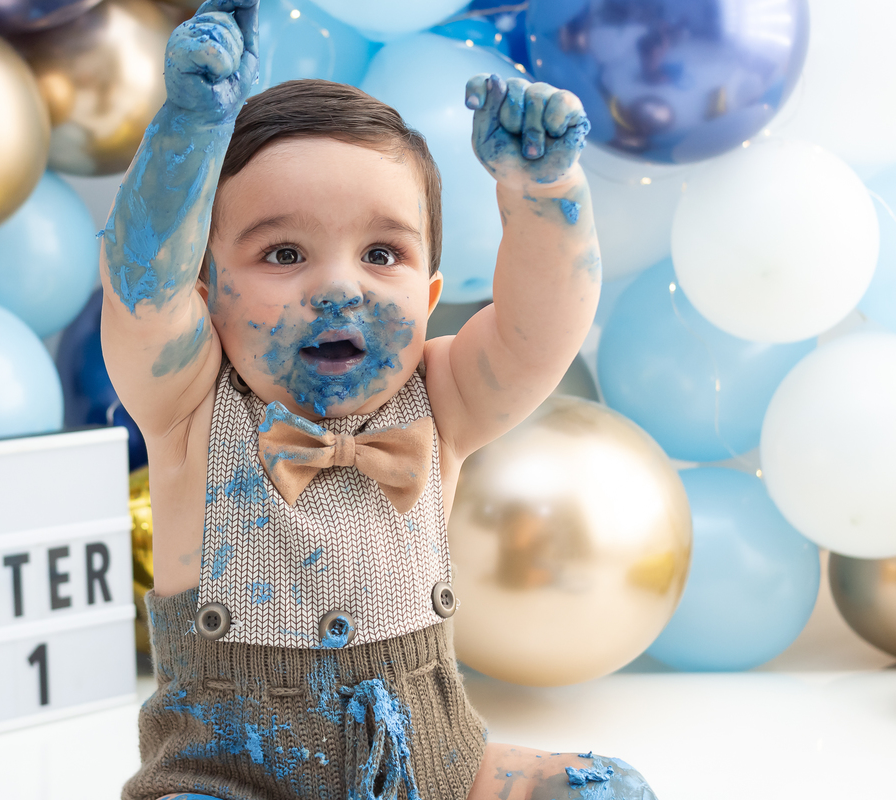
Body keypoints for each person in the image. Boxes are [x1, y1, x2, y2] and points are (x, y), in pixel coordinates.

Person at [99, 1, 654, 798]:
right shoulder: (188, 402)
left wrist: (542, 189)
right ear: (209, 291)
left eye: (381, 252)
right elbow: (139, 288)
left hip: (437, 768)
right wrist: (191, 125)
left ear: (430, 294)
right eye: (283, 252)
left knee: (611, 788)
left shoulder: (441, 397)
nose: (337, 285)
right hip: (227, 777)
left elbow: (540, 329)